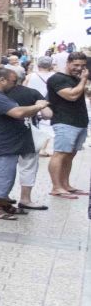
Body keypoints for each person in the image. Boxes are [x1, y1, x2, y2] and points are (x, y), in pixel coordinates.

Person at [0, 68, 48, 220]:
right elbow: (17, 112)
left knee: (7, 175)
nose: (15, 85)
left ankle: (2, 203)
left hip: (8, 143)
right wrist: (38, 106)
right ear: (2, 80)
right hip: (0, 143)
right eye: (13, 81)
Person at [46, 50, 90, 200]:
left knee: (70, 155)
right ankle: (56, 187)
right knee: (60, 154)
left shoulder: (77, 78)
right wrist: (84, 80)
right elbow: (71, 95)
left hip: (79, 121)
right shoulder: (57, 79)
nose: (79, 68)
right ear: (68, 63)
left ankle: (66, 185)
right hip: (65, 122)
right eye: (76, 65)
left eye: (83, 65)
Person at [7, 73, 51, 213]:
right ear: (23, 79)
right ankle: (25, 199)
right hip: (27, 134)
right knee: (28, 166)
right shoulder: (32, 93)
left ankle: (3, 196)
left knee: (5, 166)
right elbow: (47, 114)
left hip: (4, 135)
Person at [27, 55, 57, 157]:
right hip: (47, 104)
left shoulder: (30, 76)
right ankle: (42, 148)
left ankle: (33, 145)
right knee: (46, 126)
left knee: (32, 125)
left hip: (32, 103)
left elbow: (24, 88)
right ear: (50, 65)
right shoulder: (55, 76)